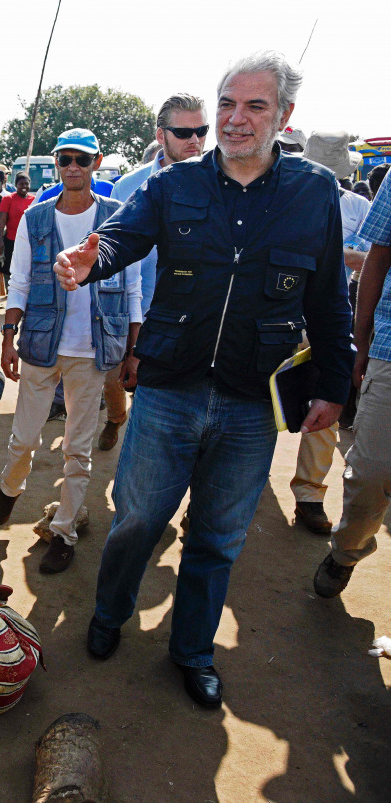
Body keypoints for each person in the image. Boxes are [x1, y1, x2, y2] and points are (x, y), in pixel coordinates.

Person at [56, 52, 353, 707]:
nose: (235, 119)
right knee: (136, 520)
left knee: (218, 538)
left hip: (252, 403)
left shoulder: (313, 192)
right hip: (168, 390)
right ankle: (109, 614)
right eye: (227, 103)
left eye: (254, 106)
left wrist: (336, 383)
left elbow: (328, 297)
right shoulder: (173, 185)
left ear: (285, 116)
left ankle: (191, 649)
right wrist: (89, 259)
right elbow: (118, 241)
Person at [0, 130, 142, 574]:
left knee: (78, 448)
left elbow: (132, 287)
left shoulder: (116, 217)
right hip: (40, 342)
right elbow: (18, 282)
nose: (73, 167)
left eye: (82, 159)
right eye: (65, 159)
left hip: (93, 350)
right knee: (24, 437)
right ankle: (9, 489)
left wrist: (132, 350)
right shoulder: (36, 219)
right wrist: (9, 337)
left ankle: (66, 529)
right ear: (56, 163)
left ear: (96, 163)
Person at [102, 93, 209, 450]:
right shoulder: (128, 188)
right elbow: (117, 260)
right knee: (133, 396)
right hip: (141, 317)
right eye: (183, 132)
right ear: (161, 135)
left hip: (199, 325)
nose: (195, 141)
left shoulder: (223, 185)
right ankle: (117, 420)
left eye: (202, 131)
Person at [313, 178, 391, 596]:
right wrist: (361, 340)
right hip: (389, 348)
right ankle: (347, 551)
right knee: (371, 472)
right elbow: (378, 257)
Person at [290, 131, 370, 533]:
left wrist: (333, 252)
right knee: (262, 402)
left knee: (326, 404)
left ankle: (309, 495)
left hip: (332, 320)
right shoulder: (289, 195)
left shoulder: (360, 206)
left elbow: (371, 261)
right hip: (283, 316)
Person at [0, 172, 33, 281]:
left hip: (29, 241)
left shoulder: (34, 200)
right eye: (21, 184)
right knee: (10, 270)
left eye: (26, 184)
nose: (24, 187)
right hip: (11, 241)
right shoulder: (8, 199)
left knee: (27, 269)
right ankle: (10, 294)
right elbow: (2, 222)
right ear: (16, 185)